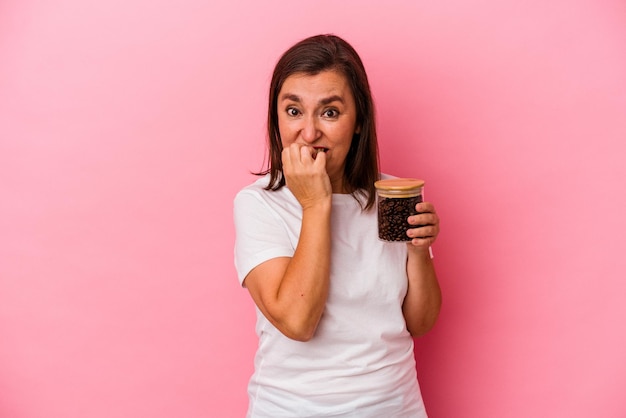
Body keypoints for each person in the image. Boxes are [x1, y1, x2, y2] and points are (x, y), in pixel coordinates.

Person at [233, 34, 442, 417]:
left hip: (395, 407)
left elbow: (419, 322)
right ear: (275, 117)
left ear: (358, 120)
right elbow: (298, 322)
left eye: (329, 112)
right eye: (294, 111)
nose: (309, 133)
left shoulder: (391, 196)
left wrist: (418, 251)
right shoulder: (259, 203)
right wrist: (315, 204)